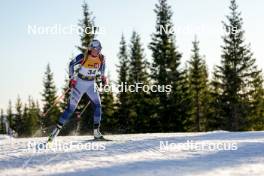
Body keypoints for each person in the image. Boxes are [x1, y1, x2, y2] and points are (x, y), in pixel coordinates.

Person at [48, 39, 107, 142]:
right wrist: (71, 78)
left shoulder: (101, 58)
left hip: (91, 84)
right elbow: (71, 65)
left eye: (99, 49)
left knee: (98, 105)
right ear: (91, 49)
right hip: (79, 83)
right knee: (70, 109)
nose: (97, 51)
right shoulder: (82, 57)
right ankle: (55, 132)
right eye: (95, 49)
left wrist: (103, 77)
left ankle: (96, 133)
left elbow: (102, 68)